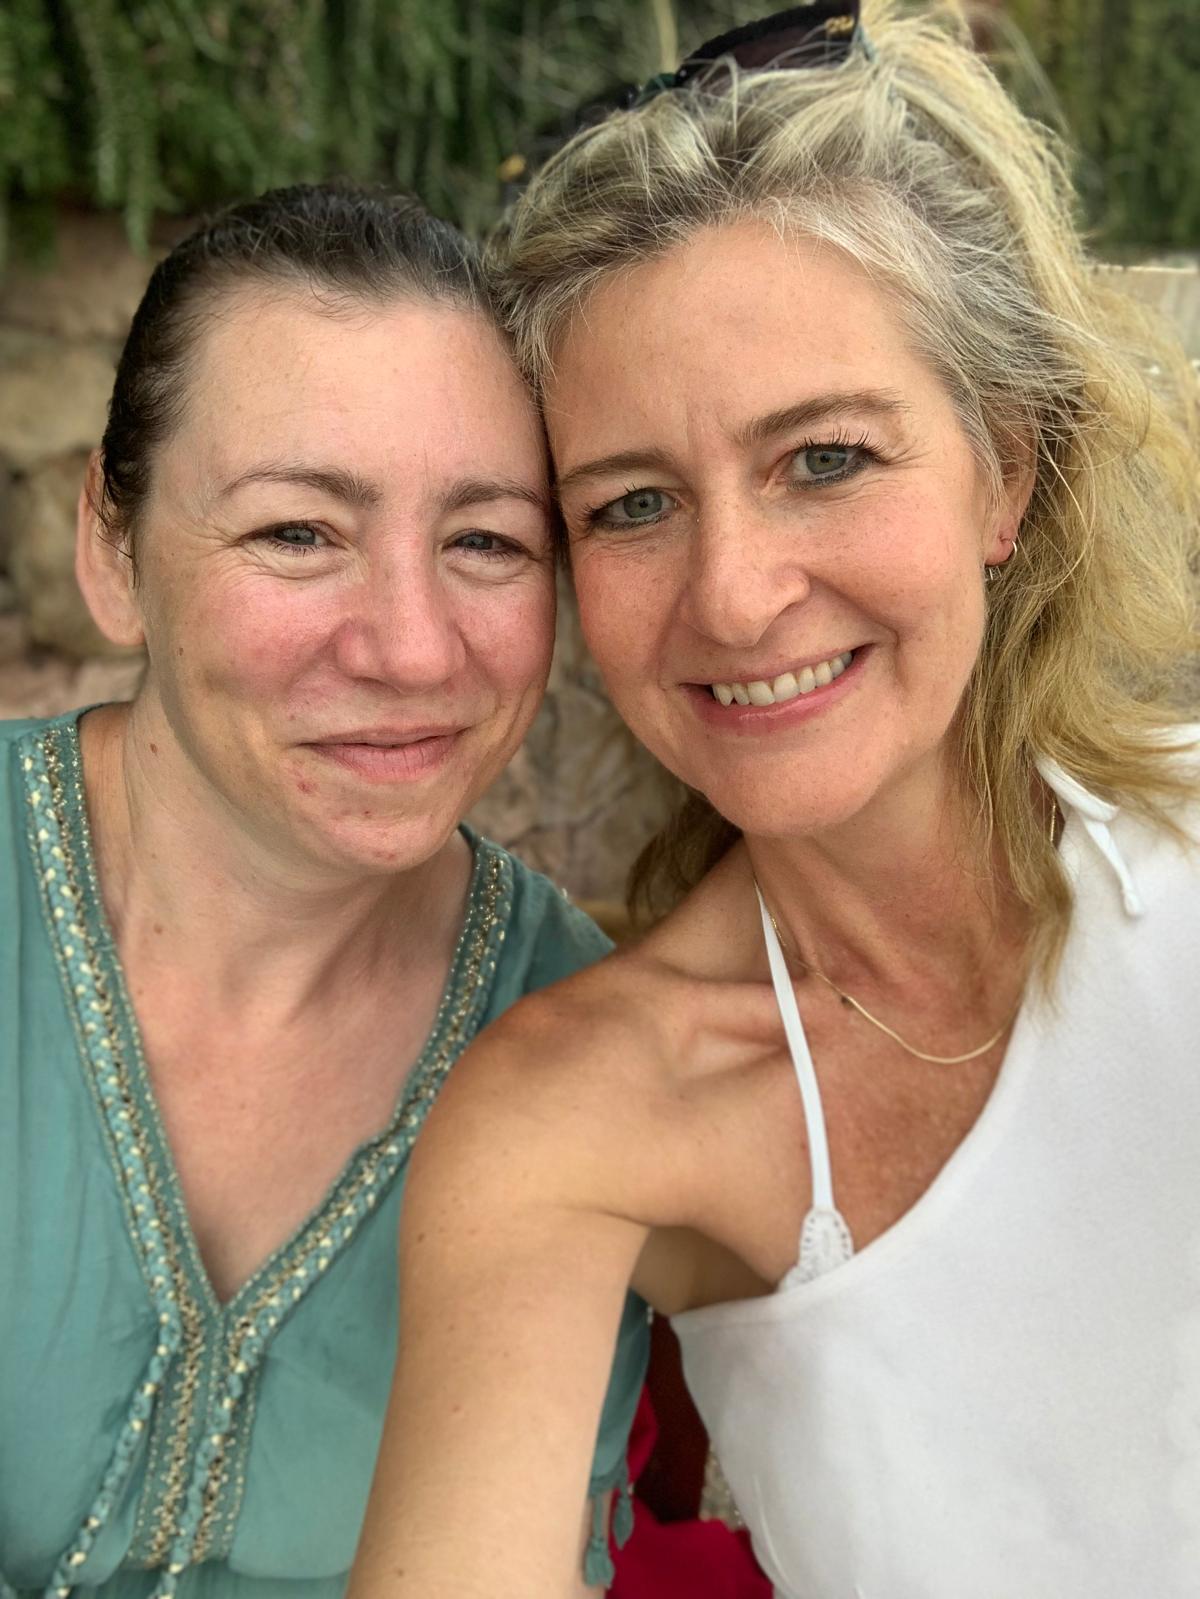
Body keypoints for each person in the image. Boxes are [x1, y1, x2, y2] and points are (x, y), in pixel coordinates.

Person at [348, 4, 1200, 1596]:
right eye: (634, 505)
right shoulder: (577, 1119)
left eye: (824, 459)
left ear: (1006, 472)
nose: (733, 598)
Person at [0, 183, 649, 1599]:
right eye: (298, 533)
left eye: (486, 541)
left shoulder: (586, 1043)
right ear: (110, 548)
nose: (412, 649)